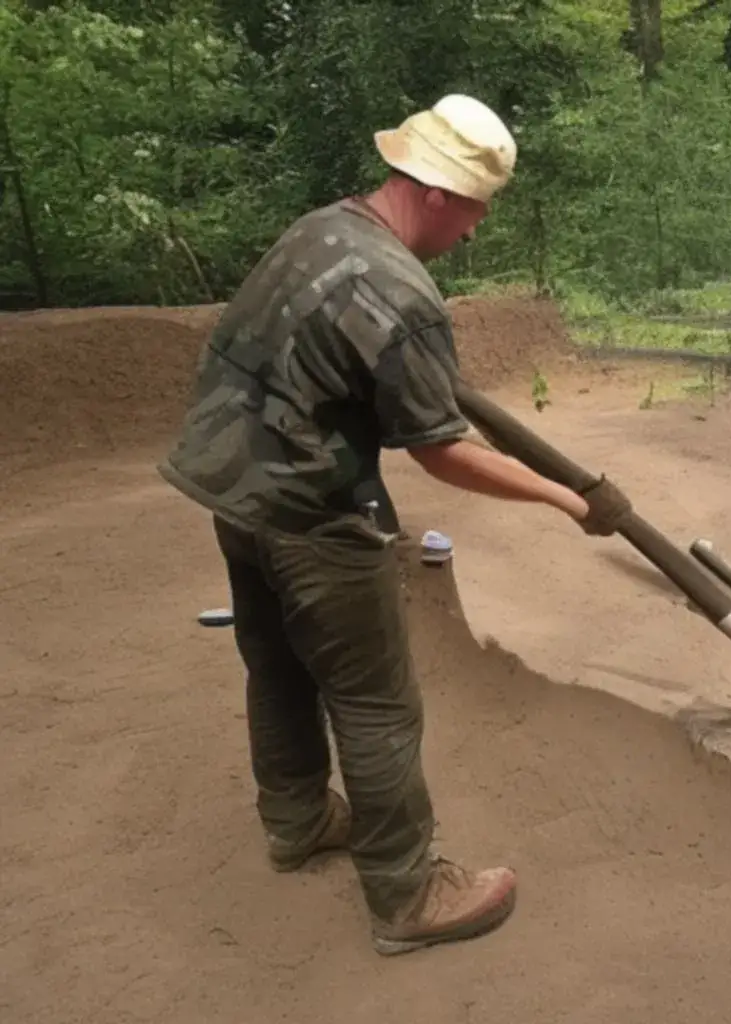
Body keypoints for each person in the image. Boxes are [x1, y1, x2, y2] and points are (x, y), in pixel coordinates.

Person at [157, 94, 633, 957]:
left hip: (231, 489)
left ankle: (297, 821)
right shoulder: (403, 294)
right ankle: (408, 893)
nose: (476, 233)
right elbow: (443, 451)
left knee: (277, 667)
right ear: (444, 194)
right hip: (312, 511)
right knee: (377, 703)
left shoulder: (320, 231)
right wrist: (571, 500)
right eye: (478, 210)